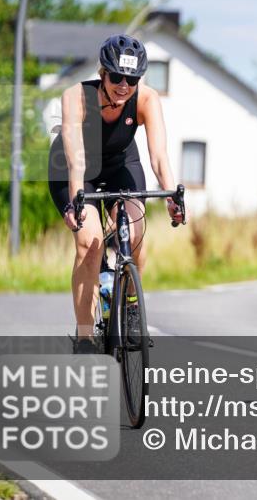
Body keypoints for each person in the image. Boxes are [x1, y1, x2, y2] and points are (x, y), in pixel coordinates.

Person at [48, 34, 183, 353]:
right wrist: (77, 200)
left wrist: (171, 197)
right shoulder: (76, 96)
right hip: (77, 168)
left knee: (135, 232)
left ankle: (132, 307)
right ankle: (84, 336)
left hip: (122, 163)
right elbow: (75, 156)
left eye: (133, 79)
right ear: (102, 73)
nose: (125, 85)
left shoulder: (147, 100)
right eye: (118, 77)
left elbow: (159, 155)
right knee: (89, 243)